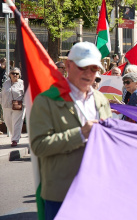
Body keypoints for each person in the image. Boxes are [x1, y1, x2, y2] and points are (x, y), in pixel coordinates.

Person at [29, 42, 112, 219]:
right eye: (83, 67)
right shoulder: (47, 101)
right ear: (68, 65)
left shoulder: (101, 99)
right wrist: (81, 134)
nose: (89, 73)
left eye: (94, 68)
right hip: (62, 195)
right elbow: (38, 146)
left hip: (97, 193)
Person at [0, 67, 25, 147]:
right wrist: (1, 102)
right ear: (10, 74)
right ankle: (16, 134)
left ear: (19, 75)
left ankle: (15, 140)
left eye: (17, 74)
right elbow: (2, 93)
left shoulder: (22, 83)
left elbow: (26, 95)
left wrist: (23, 104)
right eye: (13, 73)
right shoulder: (6, 83)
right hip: (6, 106)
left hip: (18, 106)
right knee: (8, 123)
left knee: (16, 123)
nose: (15, 75)